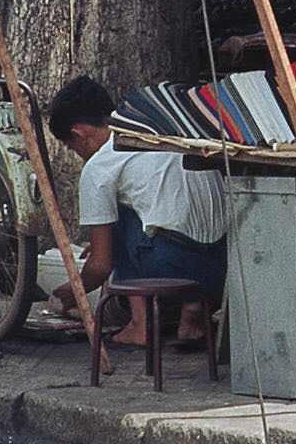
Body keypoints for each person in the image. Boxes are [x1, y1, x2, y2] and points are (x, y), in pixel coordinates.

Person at [48, 76, 227, 347]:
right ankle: (194, 311)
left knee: (116, 214)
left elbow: (101, 266)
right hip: (221, 270)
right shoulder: (158, 127)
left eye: (72, 147)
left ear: (78, 133)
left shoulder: (100, 166)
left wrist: (76, 291)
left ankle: (141, 325)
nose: (78, 154)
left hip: (177, 268)